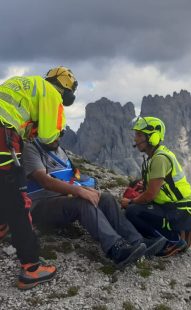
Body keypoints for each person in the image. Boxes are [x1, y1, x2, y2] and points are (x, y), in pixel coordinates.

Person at [22, 136, 167, 267]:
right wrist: (78, 191)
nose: (57, 137)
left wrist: (85, 188)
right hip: (40, 205)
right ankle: (116, 249)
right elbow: (45, 181)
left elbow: (72, 177)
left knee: (106, 198)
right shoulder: (32, 149)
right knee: (83, 203)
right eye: (53, 134)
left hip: (62, 199)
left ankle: (138, 242)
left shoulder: (60, 150)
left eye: (59, 134)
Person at [0, 66, 77, 289]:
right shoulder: (52, 93)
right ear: (66, 87)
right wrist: (56, 133)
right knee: (16, 197)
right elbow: (47, 137)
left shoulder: (25, 83)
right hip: (3, 136)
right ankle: (31, 267)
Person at [121, 116, 191, 256]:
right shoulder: (158, 155)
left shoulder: (159, 159)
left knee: (132, 211)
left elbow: (150, 195)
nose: (135, 139)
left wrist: (131, 202)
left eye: (139, 135)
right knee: (135, 194)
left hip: (177, 211)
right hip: (175, 207)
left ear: (153, 137)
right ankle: (159, 236)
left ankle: (172, 241)